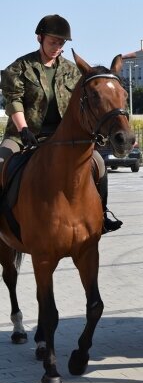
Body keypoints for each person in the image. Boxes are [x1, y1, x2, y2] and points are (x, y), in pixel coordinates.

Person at [0, 14, 122, 233]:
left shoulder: (72, 71)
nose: (57, 47)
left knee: (99, 164)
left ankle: (102, 214)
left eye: (61, 43)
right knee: (1, 161)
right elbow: (13, 101)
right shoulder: (18, 68)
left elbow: (84, 105)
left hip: (64, 136)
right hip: (24, 133)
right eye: (52, 42)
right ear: (39, 38)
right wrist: (23, 129)